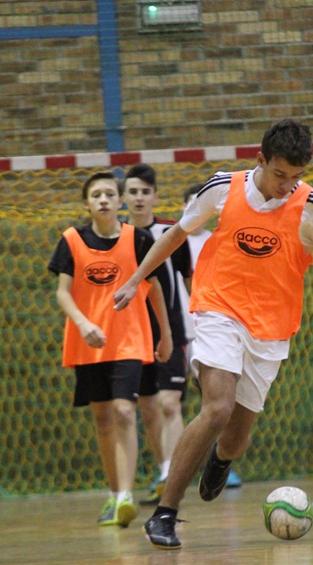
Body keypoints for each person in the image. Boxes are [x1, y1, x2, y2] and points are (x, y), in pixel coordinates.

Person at [113, 119, 313, 549]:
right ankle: (165, 513)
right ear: (260, 160)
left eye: (296, 177)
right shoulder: (222, 188)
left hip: (272, 328)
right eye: (280, 175)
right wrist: (135, 279)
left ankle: (221, 460)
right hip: (218, 308)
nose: (287, 186)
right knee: (217, 408)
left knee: (236, 437)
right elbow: (175, 234)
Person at [48, 170, 172, 528]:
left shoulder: (138, 239)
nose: (103, 200)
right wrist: (84, 323)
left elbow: (156, 288)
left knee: (123, 411)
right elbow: (62, 292)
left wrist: (164, 333)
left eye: (108, 194)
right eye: (95, 195)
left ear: (119, 201)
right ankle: (114, 493)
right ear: (86, 203)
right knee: (102, 419)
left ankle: (125, 495)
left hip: (130, 339)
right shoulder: (71, 240)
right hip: (88, 343)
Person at [123, 163, 192, 506]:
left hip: (172, 329)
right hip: (133, 332)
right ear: (125, 197)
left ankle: (172, 476)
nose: (139, 197)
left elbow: (189, 280)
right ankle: (164, 469)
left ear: (155, 196)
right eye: (133, 191)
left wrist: (199, 323)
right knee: (147, 408)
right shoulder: (119, 236)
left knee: (169, 403)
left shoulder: (171, 233)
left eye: (145, 192)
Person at [180, 182, 243, 490]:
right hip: (180, 332)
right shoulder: (174, 242)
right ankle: (172, 469)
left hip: (214, 331)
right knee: (172, 404)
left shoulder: (218, 241)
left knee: (217, 404)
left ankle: (220, 462)